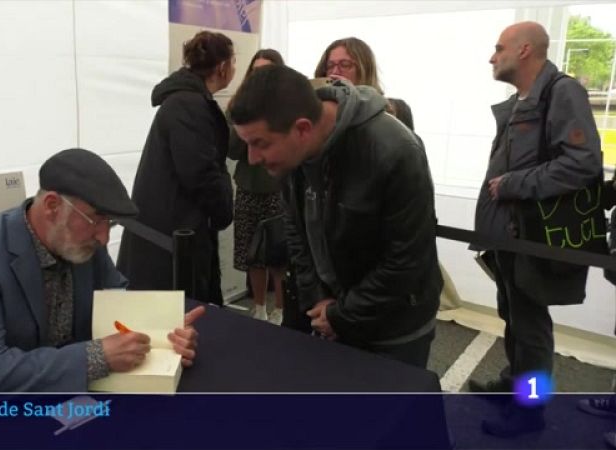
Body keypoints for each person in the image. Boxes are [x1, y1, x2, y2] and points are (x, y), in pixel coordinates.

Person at [0, 148, 205, 392]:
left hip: (62, 393)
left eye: (109, 223)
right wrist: (95, 357)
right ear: (52, 206)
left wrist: (163, 330)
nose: (104, 238)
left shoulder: (83, 243)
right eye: (96, 220)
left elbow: (117, 302)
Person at [229, 64, 441, 369]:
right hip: (330, 316)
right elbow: (296, 235)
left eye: (259, 143)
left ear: (303, 129)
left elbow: (407, 259)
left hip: (392, 331)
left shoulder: (395, 150)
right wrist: (319, 302)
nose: (252, 158)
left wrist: (341, 314)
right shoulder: (292, 154)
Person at [469, 22, 603, 436]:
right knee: (514, 316)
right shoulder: (526, 99)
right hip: (511, 234)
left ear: (524, 50)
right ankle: (515, 385)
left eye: (499, 48)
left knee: (531, 329)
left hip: (534, 236)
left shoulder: (562, 92)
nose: (492, 57)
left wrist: (514, 184)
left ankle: (530, 410)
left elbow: (583, 162)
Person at [117, 31, 235, 306]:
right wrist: (223, 209)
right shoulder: (189, 105)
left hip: (171, 232)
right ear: (222, 67)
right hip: (171, 237)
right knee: (176, 319)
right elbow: (200, 173)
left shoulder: (184, 101)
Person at [227, 49, 287, 324]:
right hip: (248, 188)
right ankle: (259, 307)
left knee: (279, 255)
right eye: (255, 70)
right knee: (252, 253)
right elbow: (232, 150)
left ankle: (281, 309)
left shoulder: (288, 104)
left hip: (279, 190)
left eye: (267, 70)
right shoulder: (238, 104)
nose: (260, 76)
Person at [314, 37, 413, 130]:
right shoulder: (320, 114)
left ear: (364, 70)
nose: (335, 72)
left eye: (345, 65)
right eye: (330, 66)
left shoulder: (394, 110)